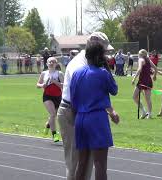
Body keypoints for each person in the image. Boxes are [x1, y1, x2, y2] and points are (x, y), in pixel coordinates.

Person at [57, 31, 114, 180]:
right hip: (75, 111)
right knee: (77, 163)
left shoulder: (85, 64)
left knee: (84, 163)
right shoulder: (81, 65)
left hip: (78, 112)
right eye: (103, 50)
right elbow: (103, 91)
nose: (105, 54)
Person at [70, 41, 119, 180]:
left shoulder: (77, 73)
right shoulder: (102, 72)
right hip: (97, 119)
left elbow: (73, 99)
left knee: (82, 163)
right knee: (100, 164)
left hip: (80, 118)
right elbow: (114, 90)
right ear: (100, 56)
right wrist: (106, 67)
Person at [36, 57, 64, 142]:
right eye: (50, 62)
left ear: (56, 64)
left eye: (53, 62)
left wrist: (55, 81)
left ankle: (48, 125)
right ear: (47, 64)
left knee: (53, 115)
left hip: (58, 97)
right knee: (52, 114)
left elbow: (64, 85)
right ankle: (54, 135)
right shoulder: (44, 73)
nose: (51, 63)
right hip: (47, 96)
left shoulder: (59, 73)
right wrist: (42, 85)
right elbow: (37, 84)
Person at [132, 49, 157, 119]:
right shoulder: (148, 60)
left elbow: (139, 69)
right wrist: (154, 76)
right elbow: (155, 68)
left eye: (138, 54)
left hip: (143, 81)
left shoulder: (141, 60)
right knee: (138, 97)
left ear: (141, 55)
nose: (138, 55)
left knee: (138, 97)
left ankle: (148, 113)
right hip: (147, 81)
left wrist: (134, 78)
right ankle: (145, 112)